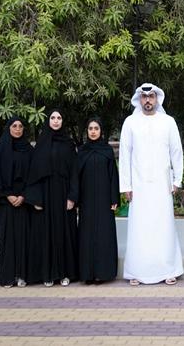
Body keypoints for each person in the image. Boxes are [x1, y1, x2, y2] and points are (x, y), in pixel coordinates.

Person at [119, 83, 184, 285]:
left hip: (162, 185)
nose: (148, 100)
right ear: (139, 99)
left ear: (157, 99)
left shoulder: (168, 122)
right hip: (138, 186)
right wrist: (126, 186)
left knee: (163, 227)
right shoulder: (130, 122)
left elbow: (176, 151)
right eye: (144, 97)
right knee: (139, 227)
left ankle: (168, 270)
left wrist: (177, 180)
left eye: (151, 96)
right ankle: (136, 272)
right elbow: (124, 155)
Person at [26, 109, 79, 287]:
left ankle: (65, 274)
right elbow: (33, 174)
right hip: (46, 197)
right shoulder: (40, 144)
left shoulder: (69, 144)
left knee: (64, 233)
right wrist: (36, 199)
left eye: (59, 118)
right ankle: (47, 274)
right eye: (53, 118)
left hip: (64, 195)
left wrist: (72, 197)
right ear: (48, 121)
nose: (56, 121)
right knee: (46, 234)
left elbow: (75, 172)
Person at [0, 117, 34, 288]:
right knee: (7, 239)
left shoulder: (29, 150)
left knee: (24, 239)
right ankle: (7, 277)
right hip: (6, 203)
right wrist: (8, 195)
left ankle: (23, 275)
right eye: (14, 126)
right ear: (8, 128)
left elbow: (33, 175)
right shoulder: (1, 150)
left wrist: (23, 196)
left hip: (23, 202)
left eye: (21, 126)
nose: (17, 129)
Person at [78, 117, 120, 284]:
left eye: (96, 128)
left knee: (104, 235)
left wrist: (114, 198)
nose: (93, 131)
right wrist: (75, 198)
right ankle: (87, 274)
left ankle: (103, 273)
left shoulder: (107, 151)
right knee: (86, 235)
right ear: (87, 131)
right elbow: (76, 176)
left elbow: (113, 176)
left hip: (104, 201)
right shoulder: (82, 151)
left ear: (101, 131)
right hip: (86, 201)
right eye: (90, 129)